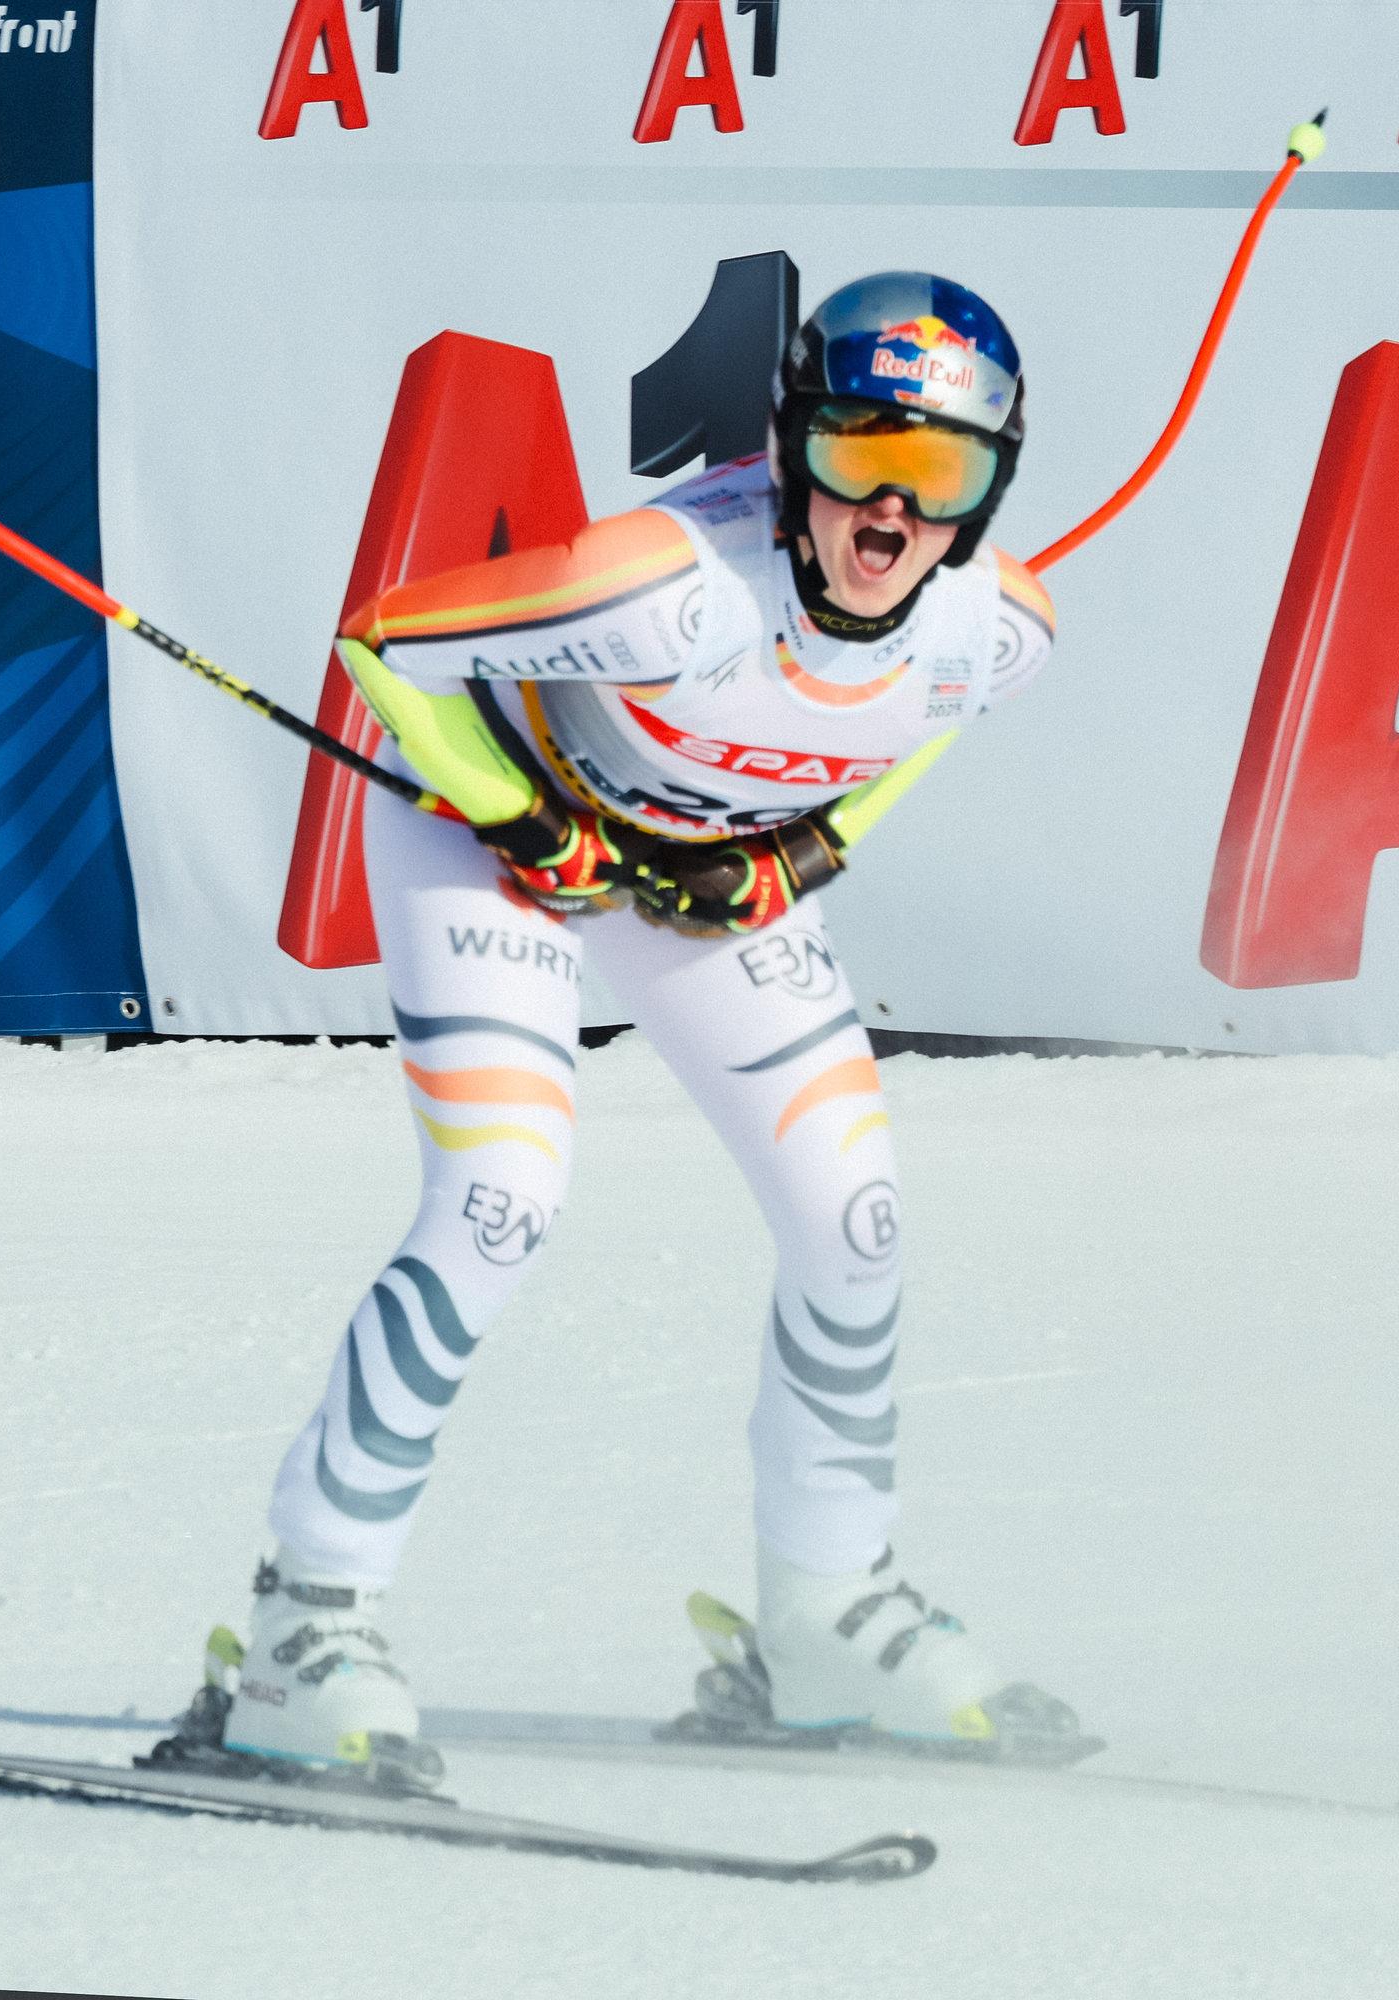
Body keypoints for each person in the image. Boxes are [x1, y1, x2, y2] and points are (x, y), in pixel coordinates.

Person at [192, 273, 1083, 1790]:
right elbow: (387, 644)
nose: (890, 511)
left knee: (854, 1219)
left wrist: (806, 853)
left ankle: (826, 1611)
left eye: (941, 474)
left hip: (688, 880)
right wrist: (520, 813)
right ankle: (303, 1628)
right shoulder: (668, 580)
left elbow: (918, 722)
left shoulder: (993, 628)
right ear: (790, 445)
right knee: (498, 1201)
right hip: (490, 840)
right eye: (857, 452)